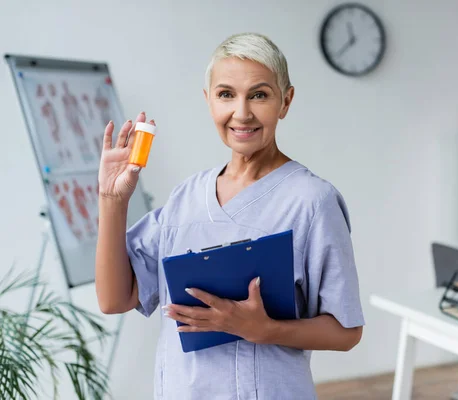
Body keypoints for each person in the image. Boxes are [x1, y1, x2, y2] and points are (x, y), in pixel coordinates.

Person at [95, 32, 364, 400]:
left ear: (285, 101)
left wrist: (265, 329)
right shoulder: (185, 198)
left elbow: (347, 332)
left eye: (259, 94)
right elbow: (114, 299)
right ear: (208, 101)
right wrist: (112, 200)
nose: (242, 112)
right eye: (226, 94)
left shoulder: (312, 201)